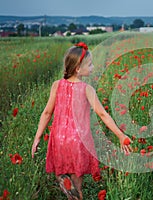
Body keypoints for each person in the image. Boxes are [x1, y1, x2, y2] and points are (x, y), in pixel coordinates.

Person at [31, 42, 132, 200]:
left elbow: (46, 113)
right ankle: (76, 195)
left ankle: (65, 184)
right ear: (78, 68)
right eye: (90, 65)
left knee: (62, 173)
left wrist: (37, 137)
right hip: (78, 140)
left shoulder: (56, 85)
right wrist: (120, 135)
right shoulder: (87, 89)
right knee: (77, 182)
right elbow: (102, 114)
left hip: (59, 139)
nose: (92, 68)